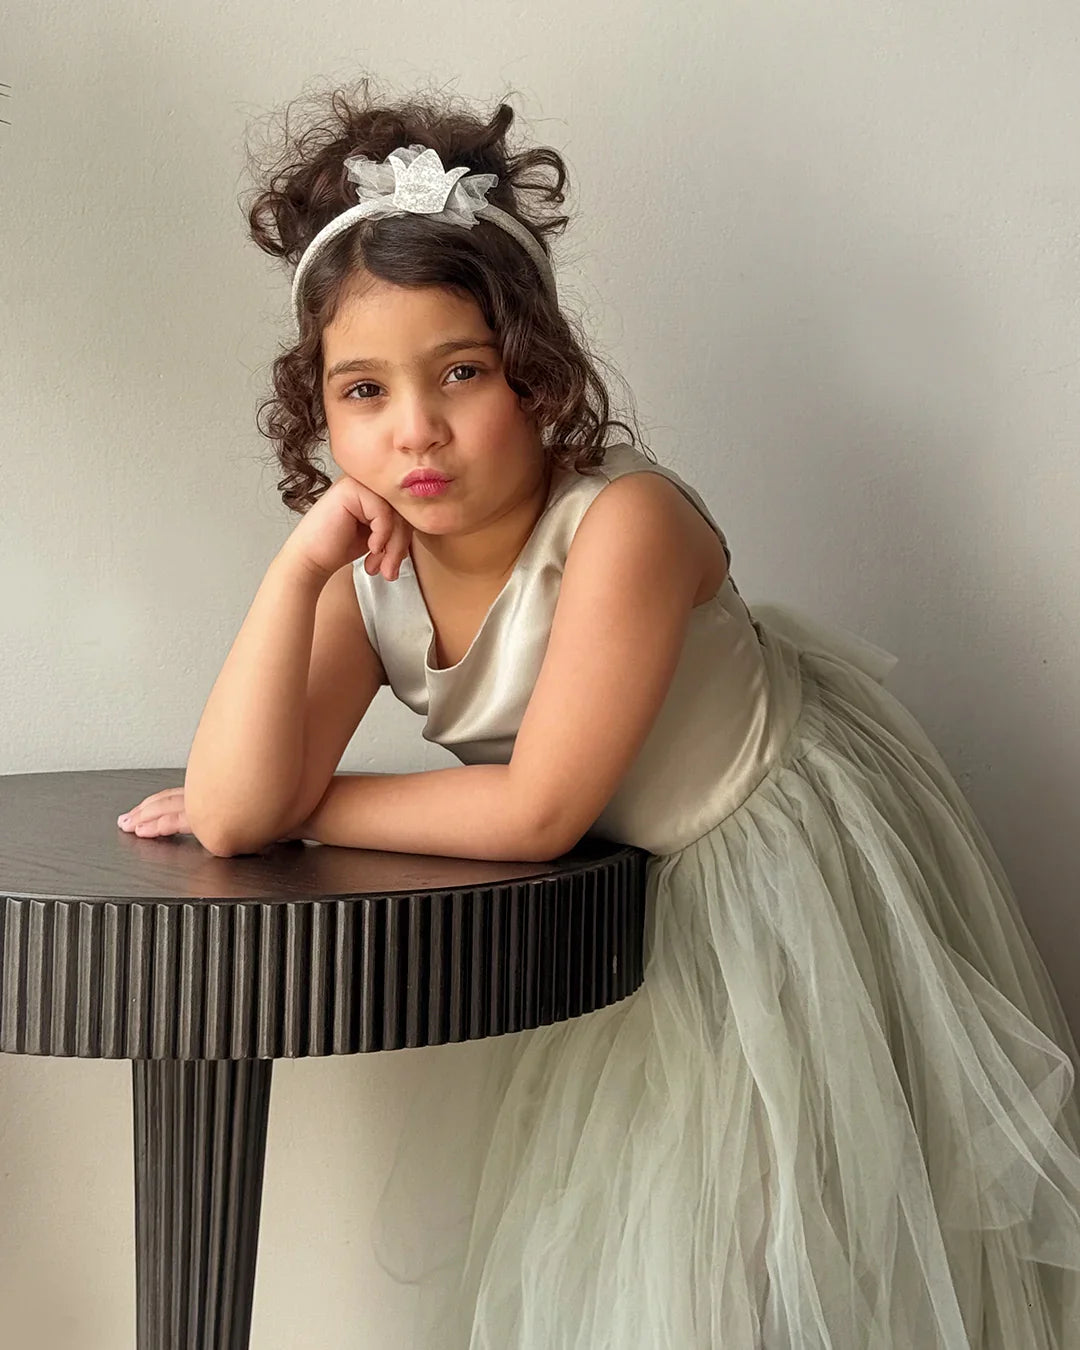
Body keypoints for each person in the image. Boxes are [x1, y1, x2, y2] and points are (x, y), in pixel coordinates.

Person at [117, 76, 1080, 1348]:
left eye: (460, 372)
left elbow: (535, 813)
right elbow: (235, 820)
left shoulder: (624, 525)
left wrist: (309, 801)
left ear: (540, 378)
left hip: (768, 880)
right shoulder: (371, 574)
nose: (418, 432)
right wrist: (295, 573)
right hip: (623, 909)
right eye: (363, 392)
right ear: (321, 414)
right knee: (647, 1270)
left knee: (775, 1247)